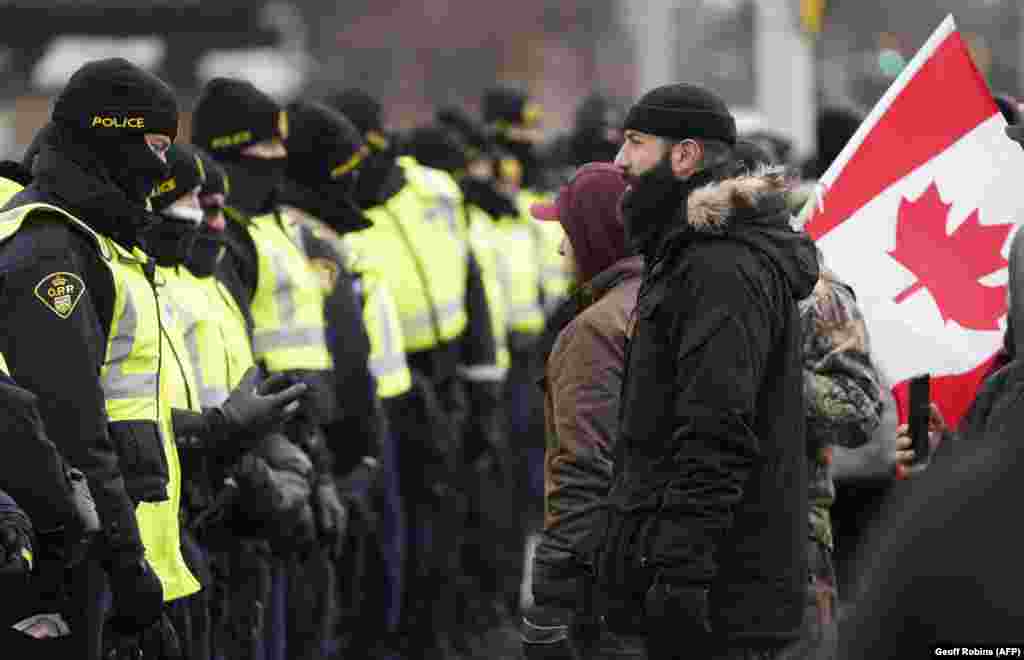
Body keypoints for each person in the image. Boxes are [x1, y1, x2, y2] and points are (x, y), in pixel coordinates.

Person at [597, 83, 819, 660]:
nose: (621, 161)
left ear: (686, 155)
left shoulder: (718, 267)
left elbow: (716, 430)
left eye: (636, 143)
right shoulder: (688, 253)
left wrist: (681, 575)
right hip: (710, 582)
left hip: (721, 599)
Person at [0, 58, 190, 659]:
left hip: (107, 550)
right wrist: (128, 572)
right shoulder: (49, 252)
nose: (162, 168)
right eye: (155, 145)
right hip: (74, 564)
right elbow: (73, 431)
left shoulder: (94, 241)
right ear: (112, 138)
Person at [329, 87, 502, 659]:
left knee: (441, 508)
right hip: (385, 376)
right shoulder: (341, 207)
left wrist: (481, 382)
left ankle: (434, 633)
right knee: (387, 521)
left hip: (444, 369)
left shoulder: (434, 188)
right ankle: (389, 636)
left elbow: (472, 284)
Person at [191, 77, 345, 660]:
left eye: (280, 160)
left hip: (300, 444)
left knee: (302, 616)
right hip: (256, 453)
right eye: (260, 160)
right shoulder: (218, 241)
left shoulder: (275, 228)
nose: (273, 173)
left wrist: (316, 464)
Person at [517, 162, 645, 659]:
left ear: (594, 236)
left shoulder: (594, 331)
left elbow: (584, 467)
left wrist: (550, 593)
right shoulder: (673, 298)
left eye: (567, 233)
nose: (559, 248)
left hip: (605, 573)